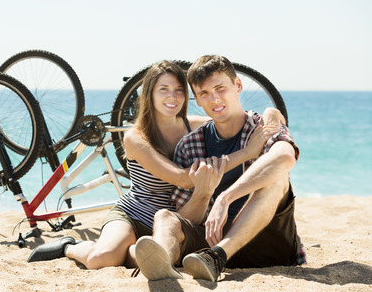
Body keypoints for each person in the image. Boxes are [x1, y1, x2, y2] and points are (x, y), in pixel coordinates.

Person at [27, 60, 282, 270]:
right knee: (100, 259)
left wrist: (272, 113)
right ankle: (68, 246)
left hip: (173, 221)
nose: (173, 97)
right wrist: (247, 152)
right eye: (164, 89)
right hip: (134, 213)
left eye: (179, 90)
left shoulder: (193, 125)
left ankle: (130, 252)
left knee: (155, 257)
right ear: (149, 93)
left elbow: (233, 113)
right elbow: (183, 178)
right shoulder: (135, 137)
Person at [134, 55, 306, 282]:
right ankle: (162, 265)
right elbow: (186, 218)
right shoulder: (190, 145)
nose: (214, 99)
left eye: (220, 88)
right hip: (206, 252)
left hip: (269, 245)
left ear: (238, 85)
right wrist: (203, 194)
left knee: (276, 180)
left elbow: (285, 157)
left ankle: (219, 256)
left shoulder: (262, 127)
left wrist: (226, 197)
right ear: (197, 100)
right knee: (165, 217)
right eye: (204, 93)